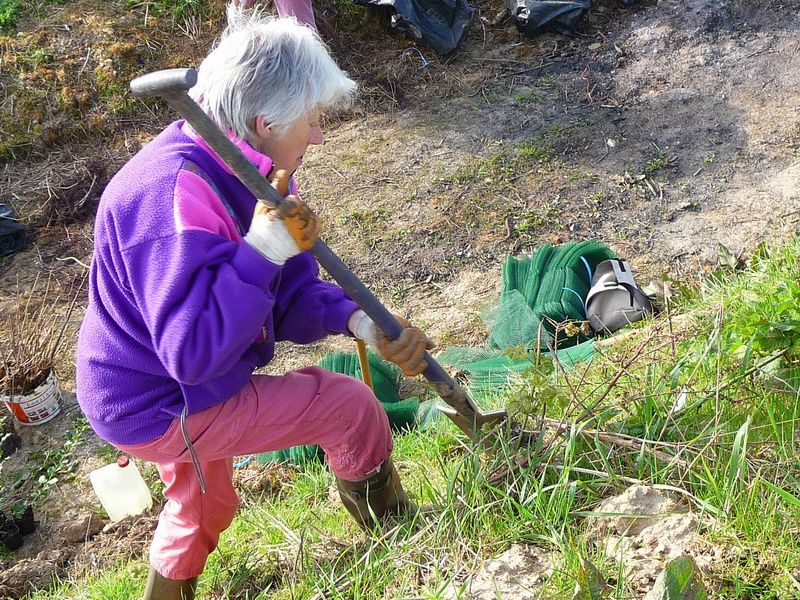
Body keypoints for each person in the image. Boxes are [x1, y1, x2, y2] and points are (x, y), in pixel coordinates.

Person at [76, 12, 433, 600]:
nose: (318, 136)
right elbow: (192, 353)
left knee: (204, 500)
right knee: (350, 408)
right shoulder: (171, 198)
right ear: (263, 122)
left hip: (151, 392)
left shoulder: (253, 173)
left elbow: (288, 293)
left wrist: (358, 320)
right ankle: (396, 539)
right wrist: (259, 252)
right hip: (159, 398)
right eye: (313, 120)